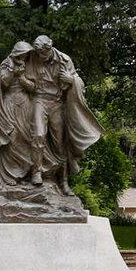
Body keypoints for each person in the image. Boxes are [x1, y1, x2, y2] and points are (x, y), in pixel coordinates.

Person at [24, 35, 104, 195]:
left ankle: (64, 182)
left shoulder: (64, 60)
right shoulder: (33, 58)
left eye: (43, 54)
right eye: (38, 54)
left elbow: (76, 81)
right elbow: (20, 78)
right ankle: (36, 172)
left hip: (57, 103)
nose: (41, 57)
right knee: (38, 134)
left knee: (60, 144)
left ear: (50, 49)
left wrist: (71, 80)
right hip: (39, 100)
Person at [0, 41, 37, 191]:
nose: (25, 56)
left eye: (27, 54)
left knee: (27, 137)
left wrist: (22, 77)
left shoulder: (29, 66)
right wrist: (13, 72)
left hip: (25, 104)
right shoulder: (6, 63)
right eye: (23, 54)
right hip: (9, 103)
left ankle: (24, 175)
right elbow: (3, 83)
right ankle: (9, 176)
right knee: (11, 137)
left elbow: (34, 87)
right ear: (17, 53)